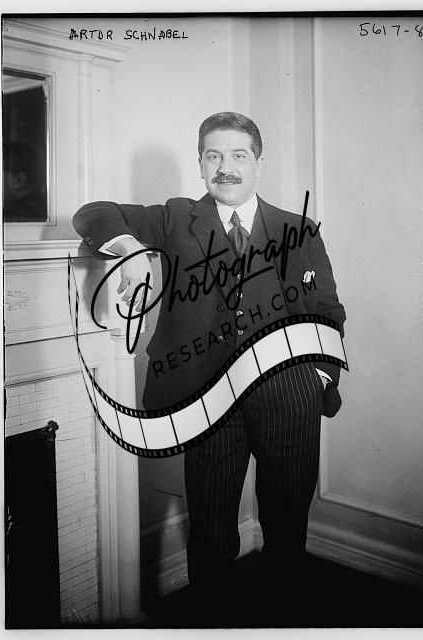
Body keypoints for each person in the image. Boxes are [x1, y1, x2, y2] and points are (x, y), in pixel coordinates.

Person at [73, 112, 346, 611]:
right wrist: (131, 249)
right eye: (213, 155)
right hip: (208, 404)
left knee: (287, 532)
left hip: (290, 397)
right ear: (200, 164)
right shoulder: (176, 218)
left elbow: (327, 312)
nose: (226, 167)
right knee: (211, 535)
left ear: (258, 163)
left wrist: (317, 378)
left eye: (238, 155)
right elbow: (93, 213)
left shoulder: (299, 230)